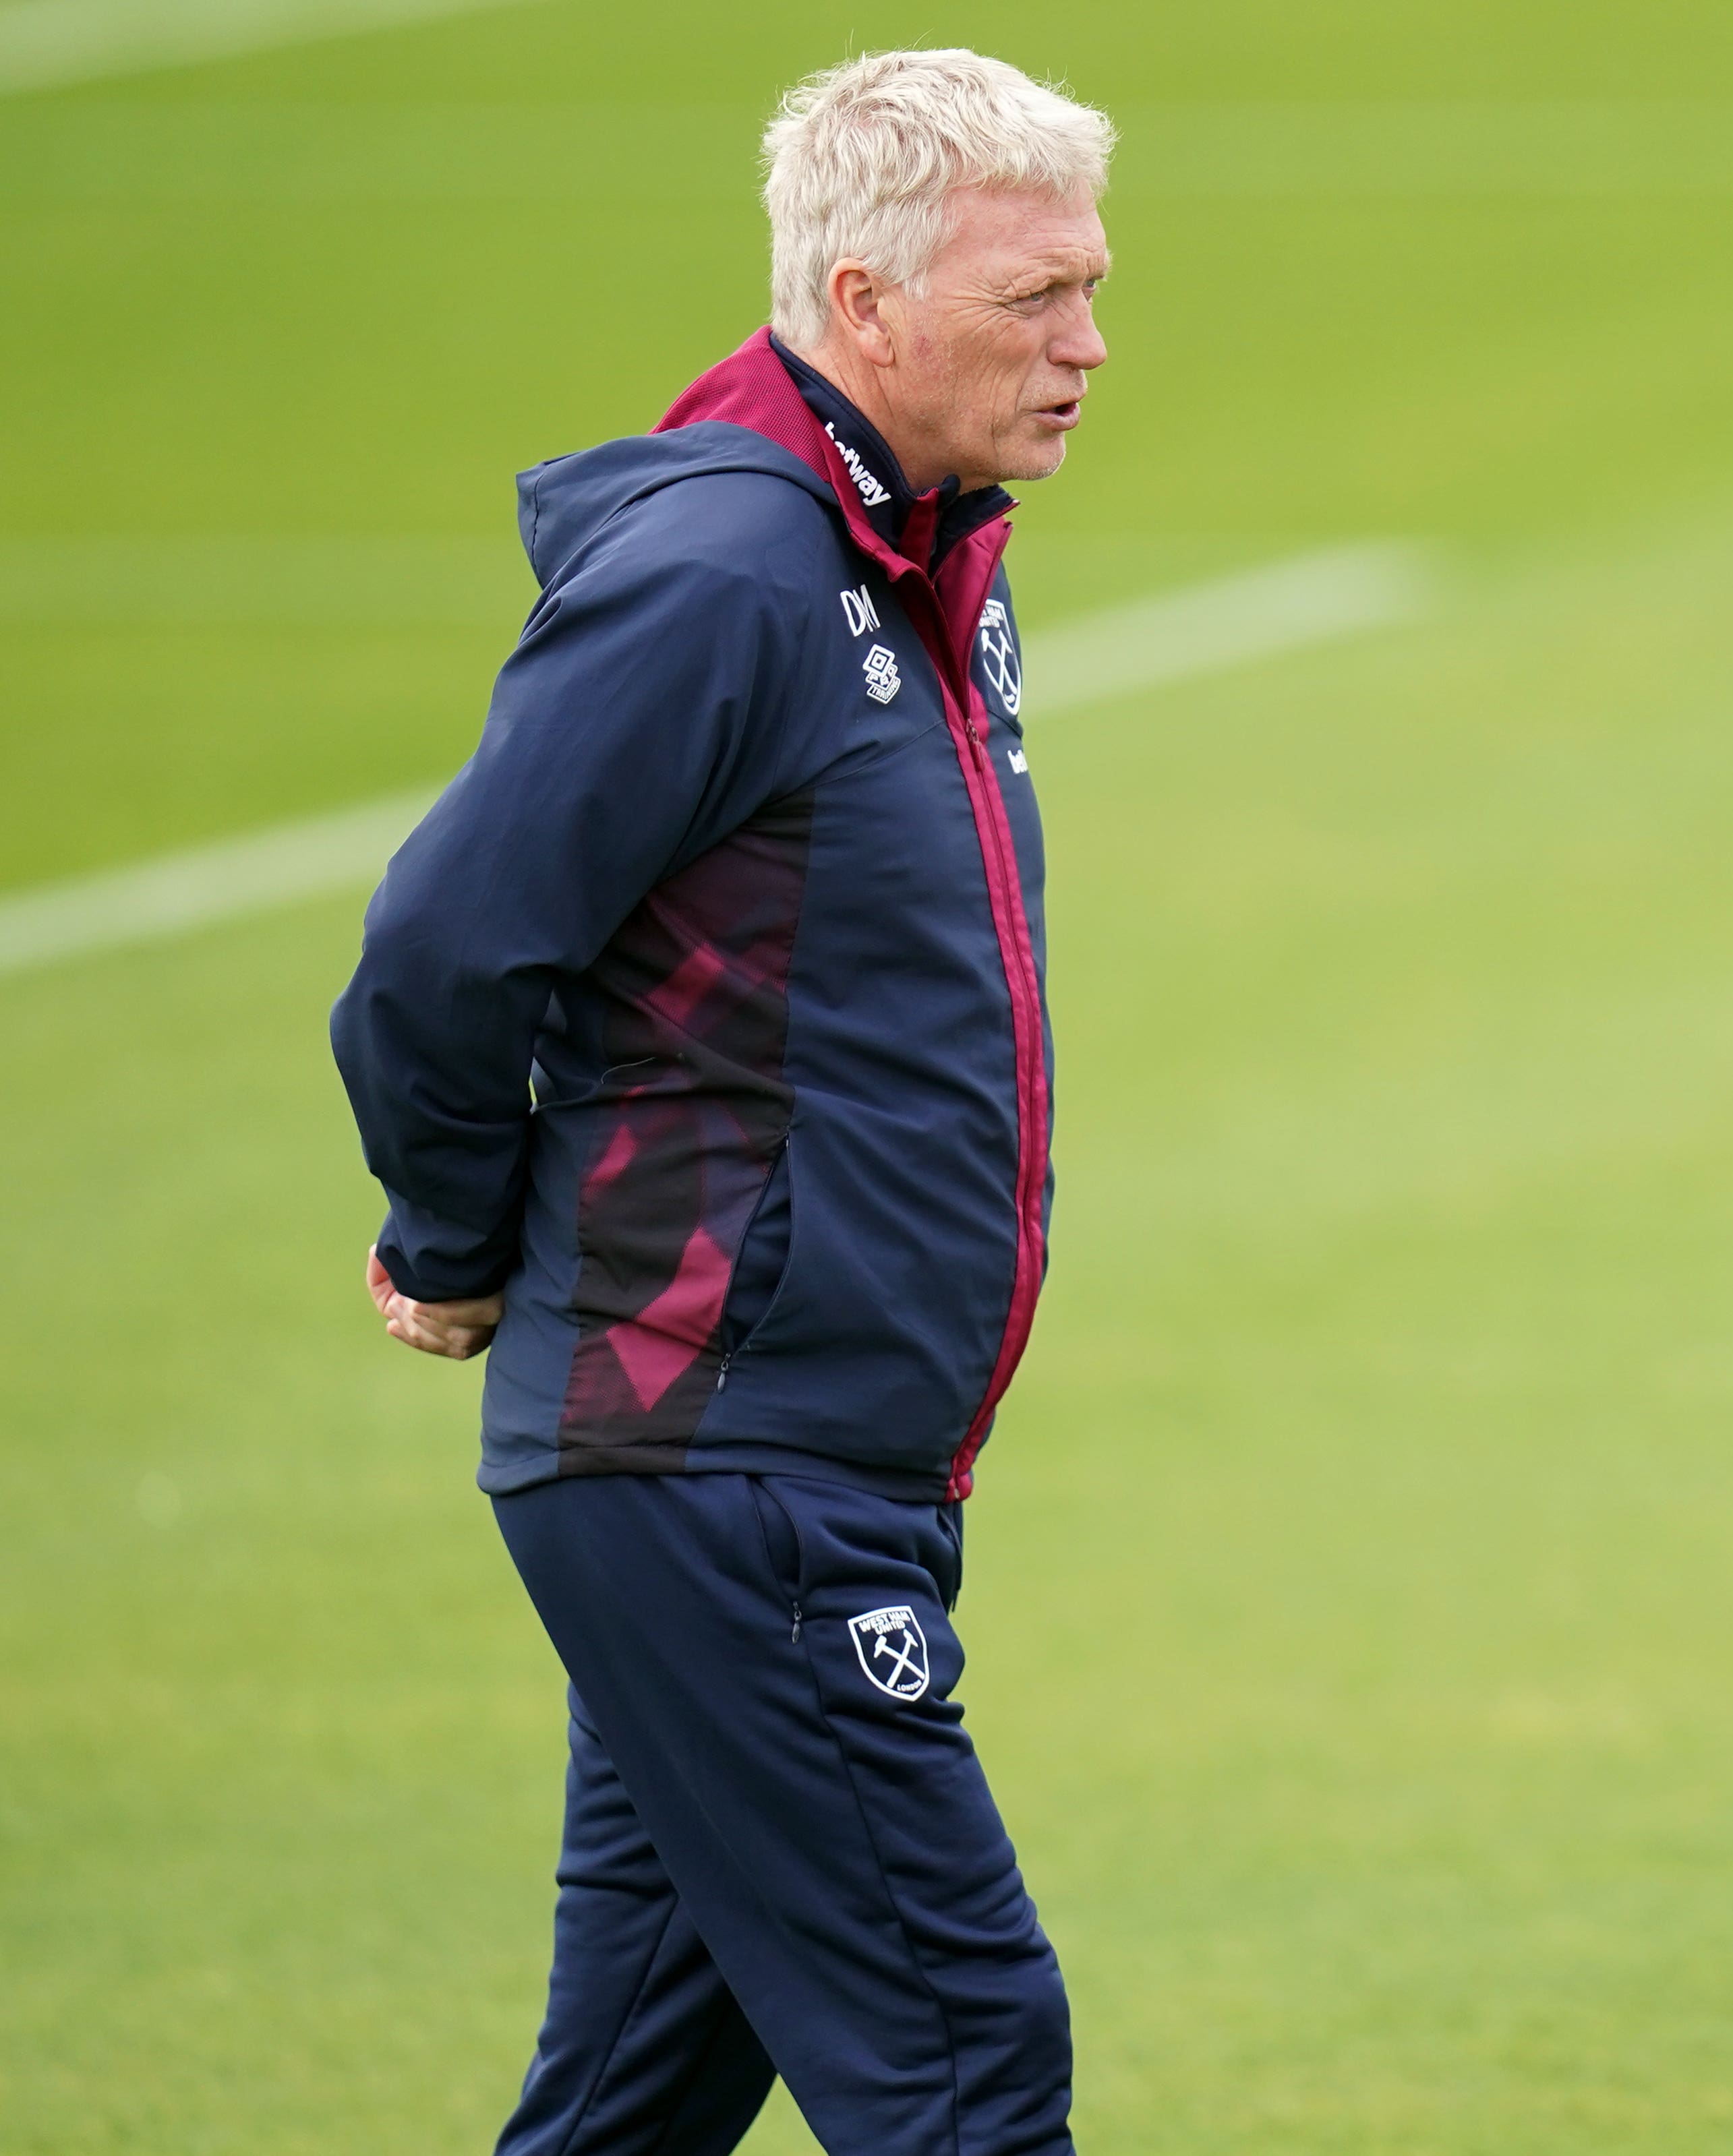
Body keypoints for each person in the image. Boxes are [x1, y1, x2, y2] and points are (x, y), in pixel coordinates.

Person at [332, 49, 1109, 2156]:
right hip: (716, 1455)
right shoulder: (724, 581)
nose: (1088, 347)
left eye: (1092, 291)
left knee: (637, 2100)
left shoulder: (925, 547)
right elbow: (437, 954)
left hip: (807, 1450)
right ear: (863, 306)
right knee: (961, 2057)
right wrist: (453, 1239)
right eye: (1034, 299)